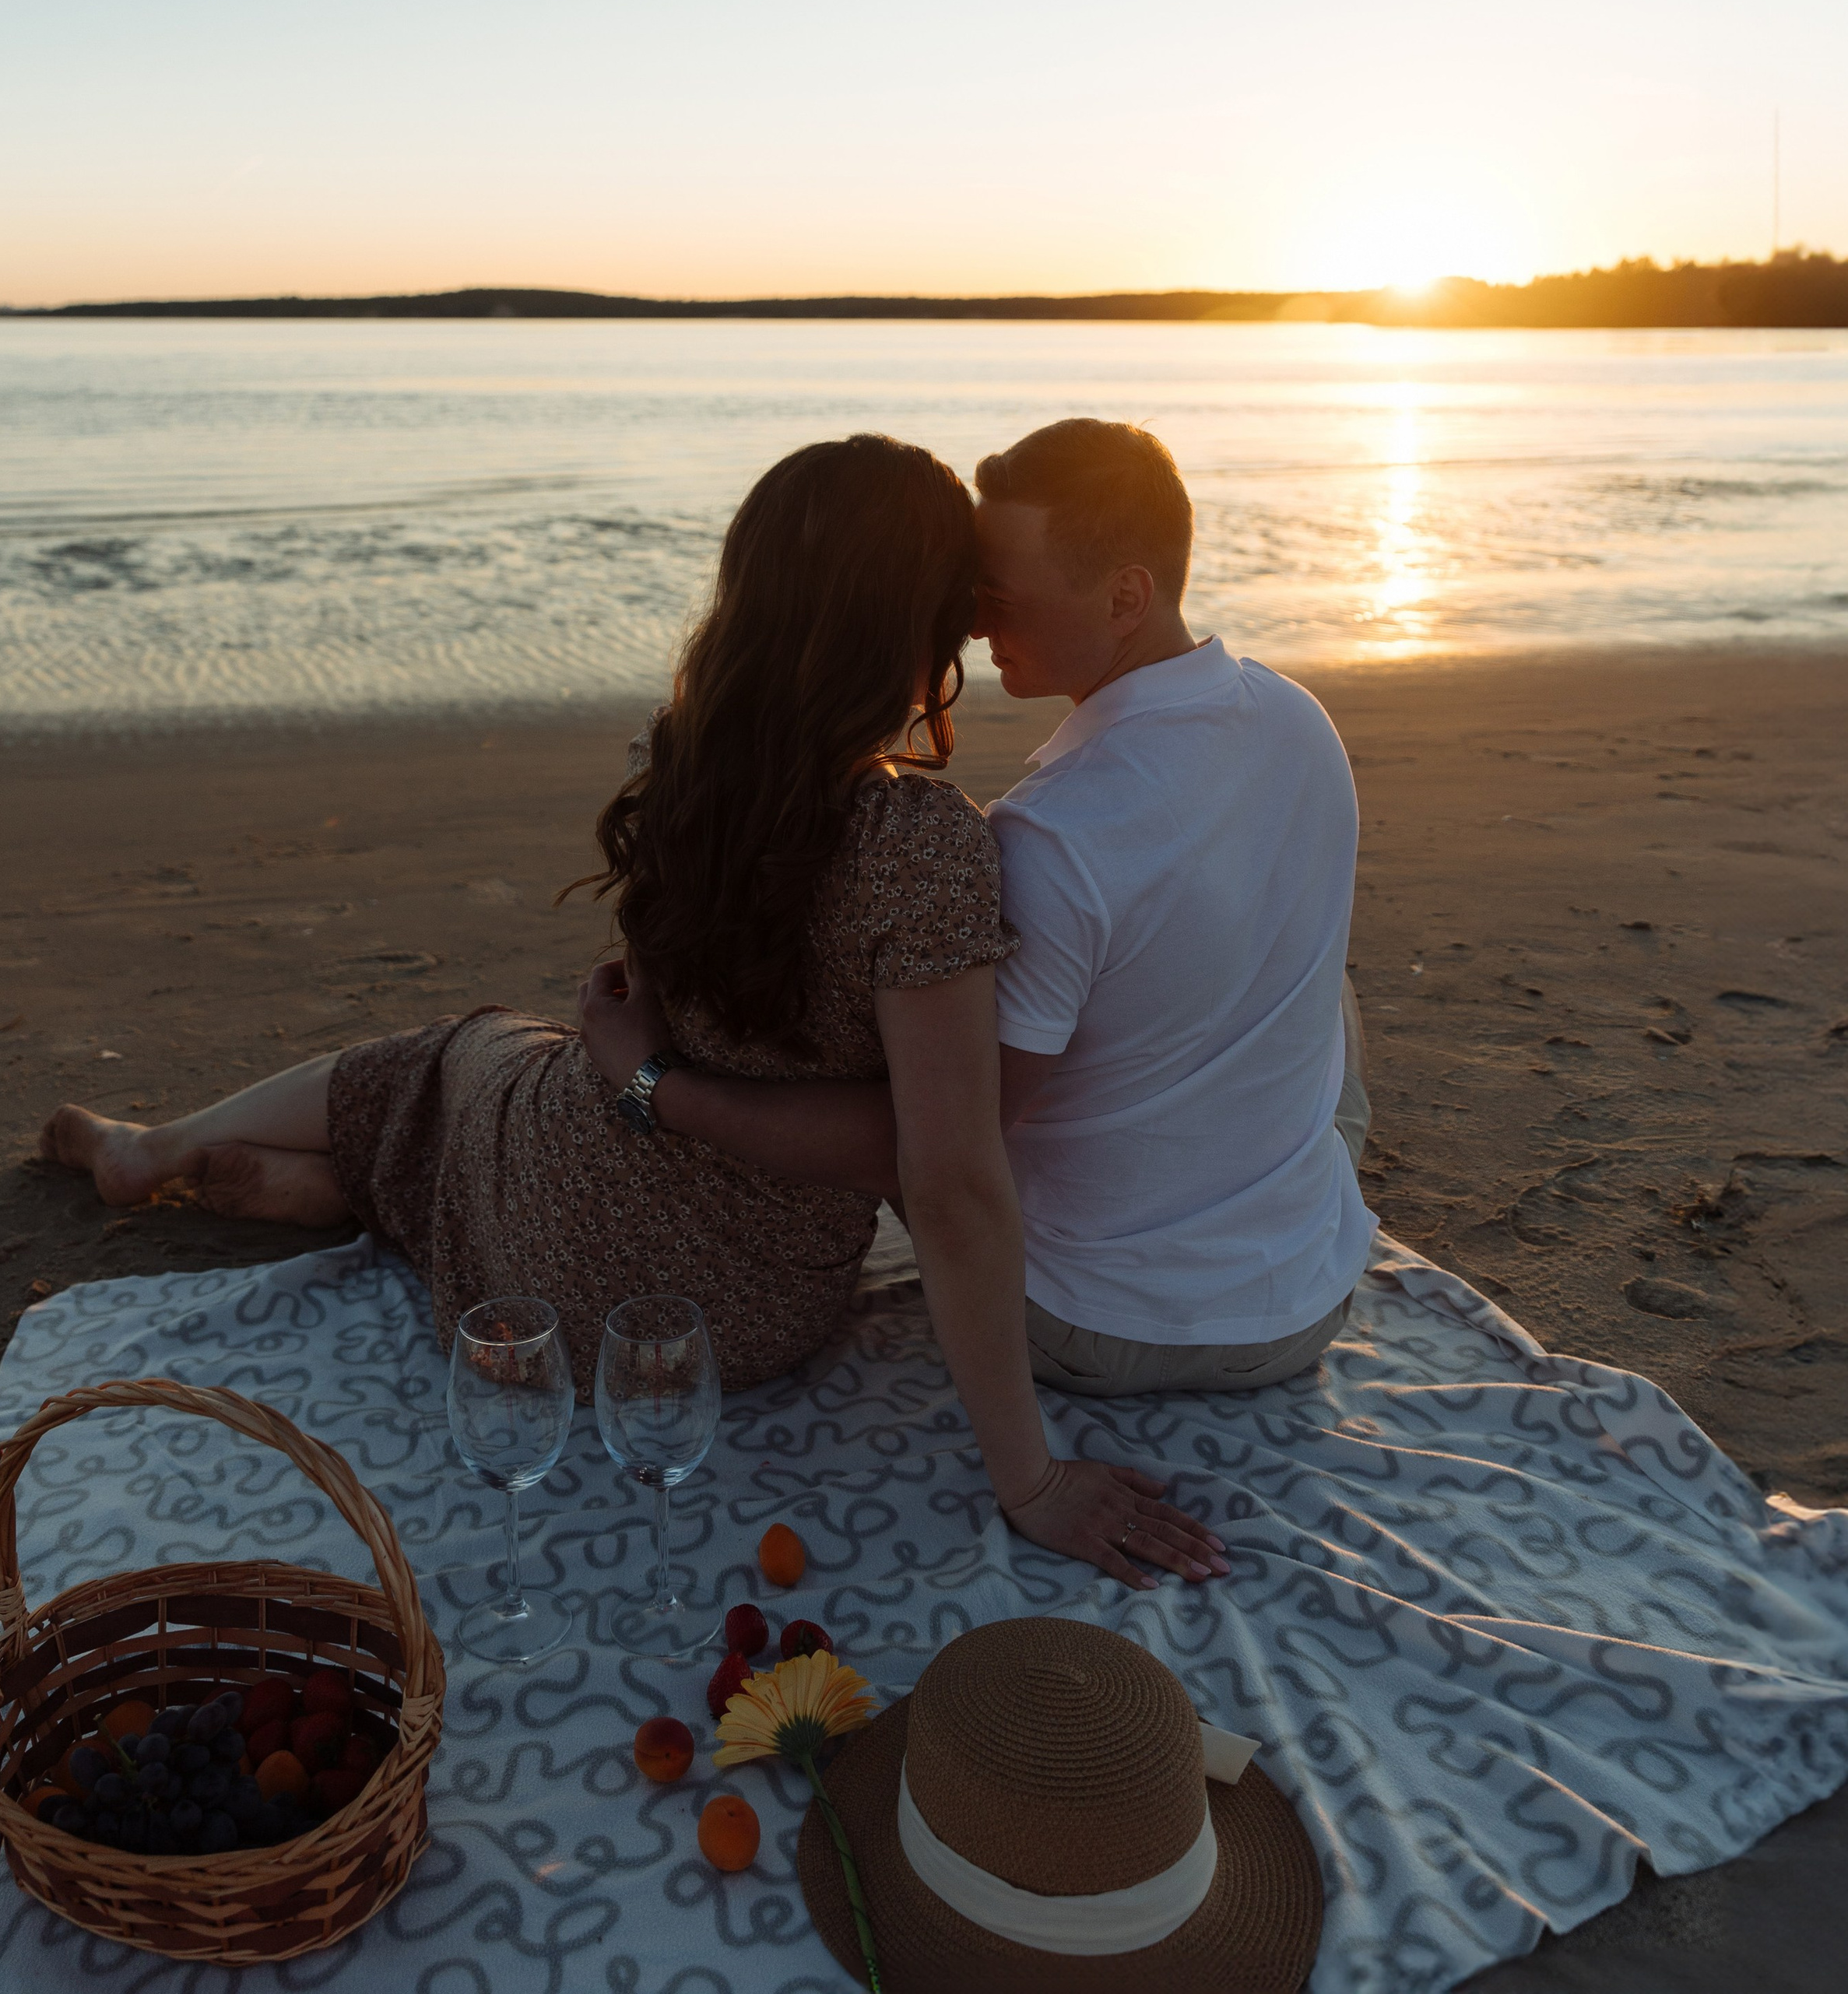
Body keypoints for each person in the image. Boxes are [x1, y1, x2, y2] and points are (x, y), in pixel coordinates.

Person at [39, 433, 1228, 1591]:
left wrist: (643, 1074)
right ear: (904, 620)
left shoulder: (688, 767)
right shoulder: (926, 844)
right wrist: (1029, 1481)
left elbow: (646, 1013)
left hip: (554, 1241)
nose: (975, 624)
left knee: (465, 1054)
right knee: (479, 1085)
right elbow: (956, 1184)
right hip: (725, 1331)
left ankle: (163, 1149)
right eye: (959, 600)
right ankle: (321, 1185)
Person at [581, 417, 1375, 1401]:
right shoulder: (1301, 721)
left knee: (945, 1071)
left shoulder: (1049, 835)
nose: (970, 626)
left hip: (1087, 1325)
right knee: (1321, 995)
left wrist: (658, 1083)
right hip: (1306, 1302)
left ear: (1126, 594)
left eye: (996, 597)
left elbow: (941, 1153)